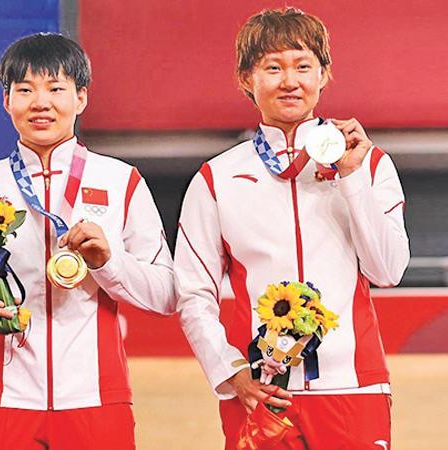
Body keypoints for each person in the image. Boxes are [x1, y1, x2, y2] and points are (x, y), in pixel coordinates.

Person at [175, 8, 409, 449]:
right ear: (247, 78)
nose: (289, 81)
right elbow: (193, 291)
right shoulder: (216, 178)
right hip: (261, 391)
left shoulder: (369, 162)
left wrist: (351, 176)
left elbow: (387, 270)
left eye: (303, 66)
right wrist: (228, 371)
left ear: (324, 76)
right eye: (273, 67)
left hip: (353, 386)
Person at [0, 33, 174, 450]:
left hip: (98, 400)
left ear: (81, 98)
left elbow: (167, 294)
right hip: (4, 402)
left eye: (56, 88)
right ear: (7, 101)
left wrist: (108, 262)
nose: (40, 103)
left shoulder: (121, 181)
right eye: (25, 90)